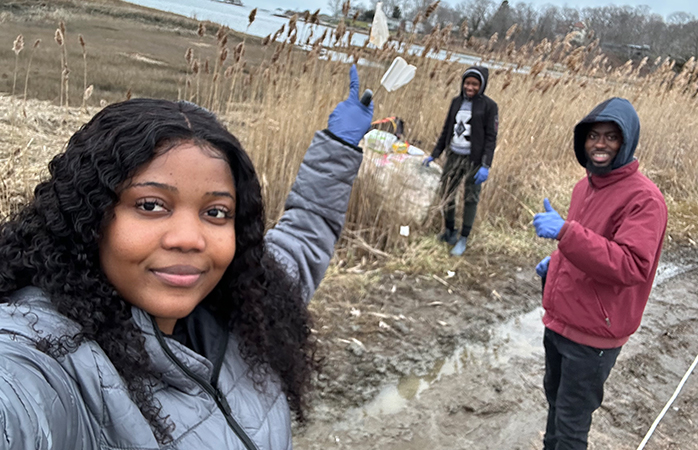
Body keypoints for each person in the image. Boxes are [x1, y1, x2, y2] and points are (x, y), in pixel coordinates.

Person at [0, 65, 372, 449]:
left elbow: (304, 235)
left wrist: (338, 145)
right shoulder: (48, 355)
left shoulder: (247, 305)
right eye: (151, 205)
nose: (190, 239)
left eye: (215, 212)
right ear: (88, 217)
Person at [532, 97, 668, 450]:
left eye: (611, 137)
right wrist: (556, 262)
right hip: (560, 321)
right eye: (593, 135)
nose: (600, 144)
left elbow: (630, 265)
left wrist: (565, 233)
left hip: (593, 336)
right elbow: (588, 247)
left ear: (627, 142)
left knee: (572, 425)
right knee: (555, 408)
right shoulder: (585, 186)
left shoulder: (644, 199)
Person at [423, 66, 498, 257]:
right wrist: (435, 153)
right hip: (453, 156)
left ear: (481, 86)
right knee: (447, 192)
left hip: (473, 160)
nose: (470, 87)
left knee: (470, 198)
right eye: (467, 83)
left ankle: (463, 237)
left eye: (474, 84)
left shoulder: (489, 106)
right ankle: (449, 231)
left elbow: (491, 138)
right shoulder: (456, 102)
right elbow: (446, 129)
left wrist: (485, 165)